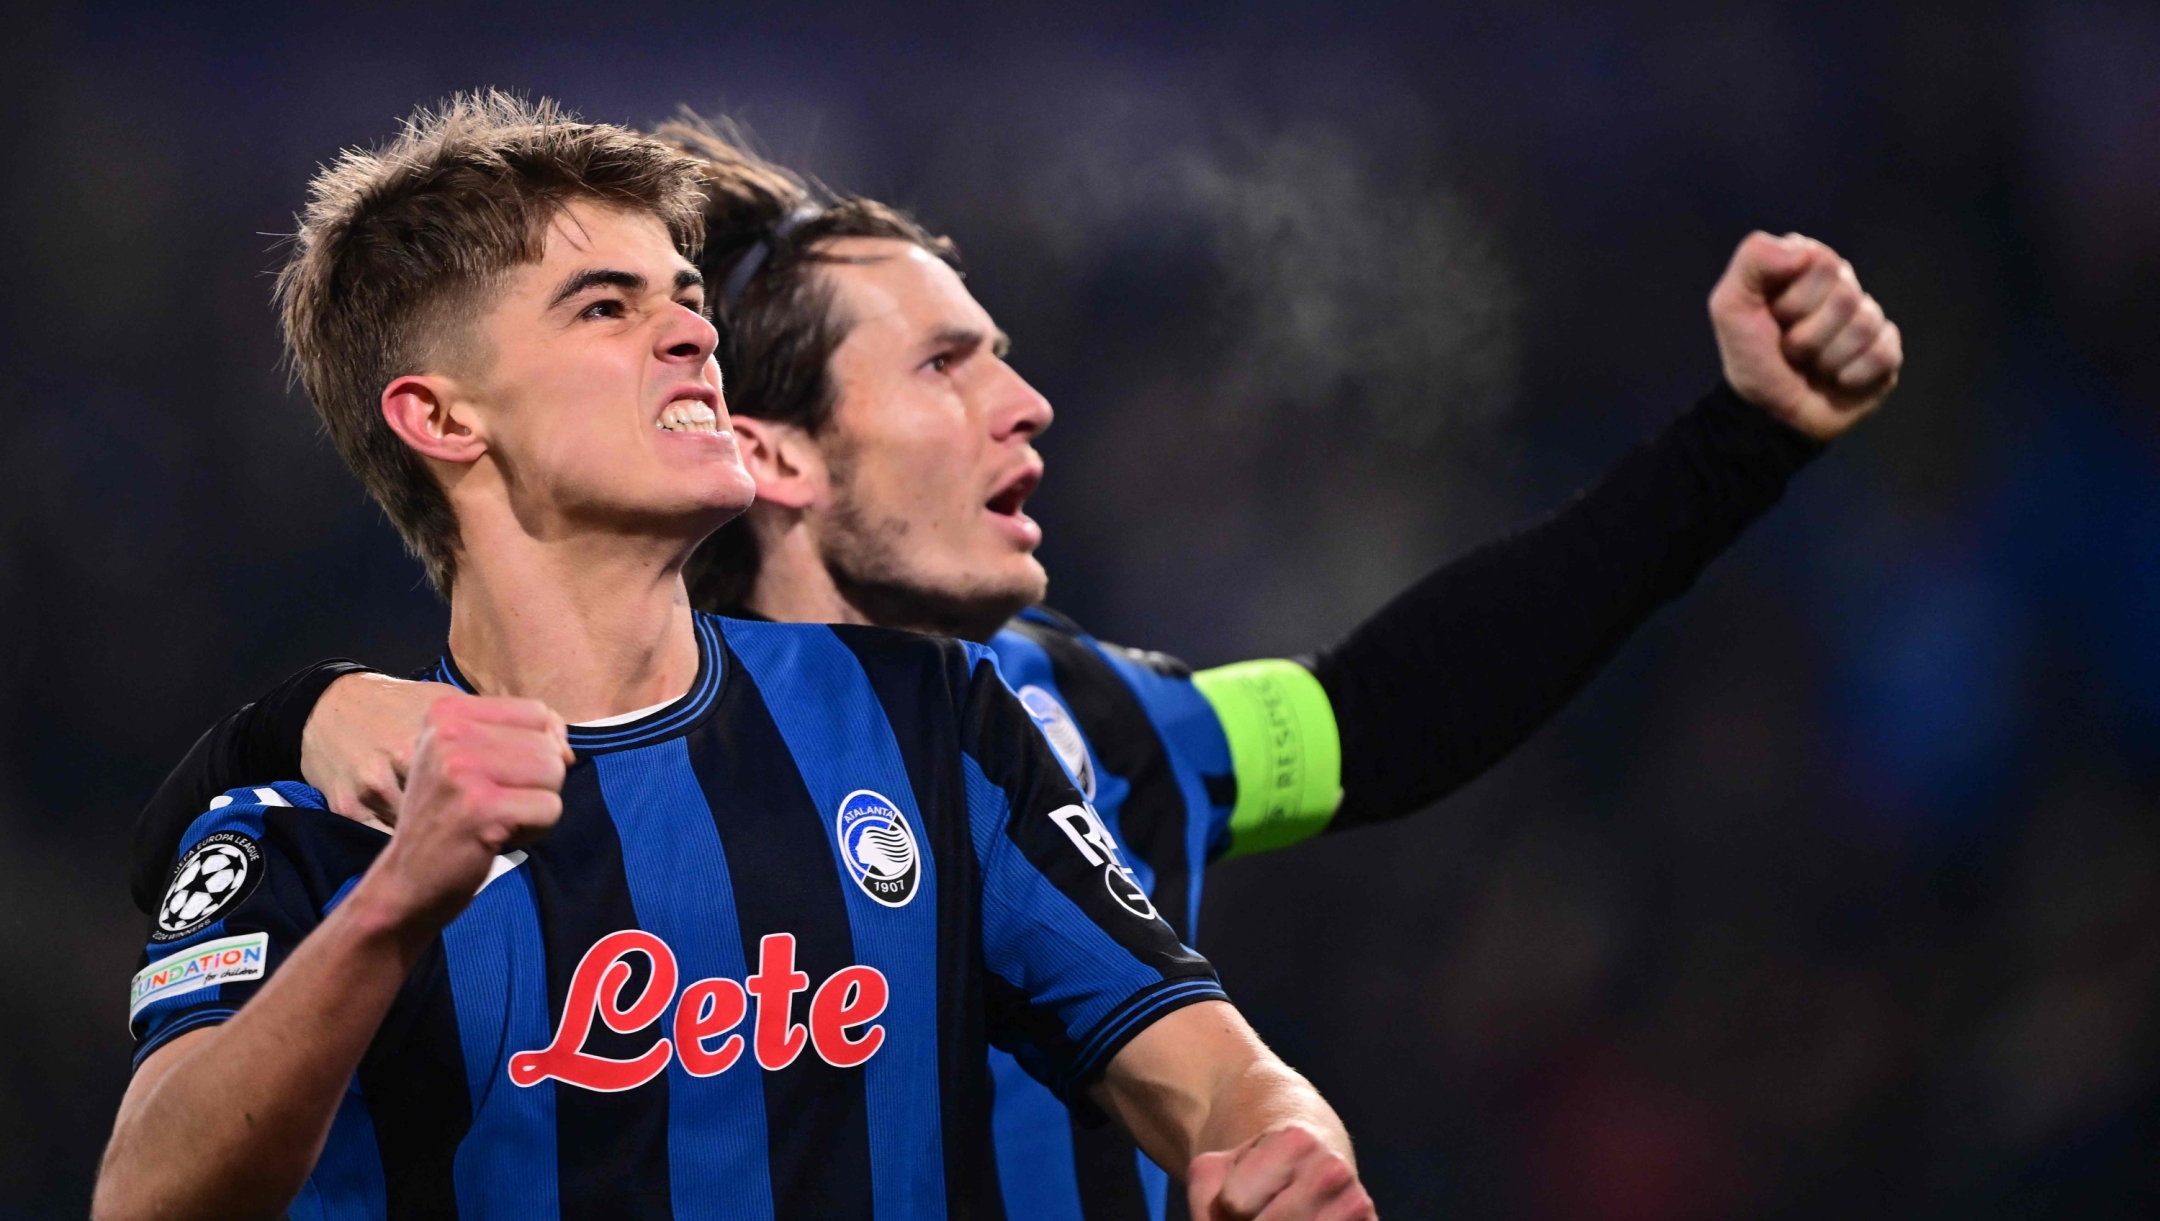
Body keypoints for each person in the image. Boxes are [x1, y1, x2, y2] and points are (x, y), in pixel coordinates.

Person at [129, 119, 1903, 1221]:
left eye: (675, 290)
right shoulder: (347, 798)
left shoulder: (1030, 721)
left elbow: (1382, 727)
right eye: (950, 368)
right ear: (775, 451)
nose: (1026, 405)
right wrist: (300, 758)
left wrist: (1735, 449)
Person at [97, 94, 1380, 1221]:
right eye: (606, 306)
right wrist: (392, 912)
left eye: (688, 298)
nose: (691, 335)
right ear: (441, 416)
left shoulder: (932, 720)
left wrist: (1287, 1146)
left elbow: (1210, 1066)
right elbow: (145, 1195)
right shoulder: (306, 828)